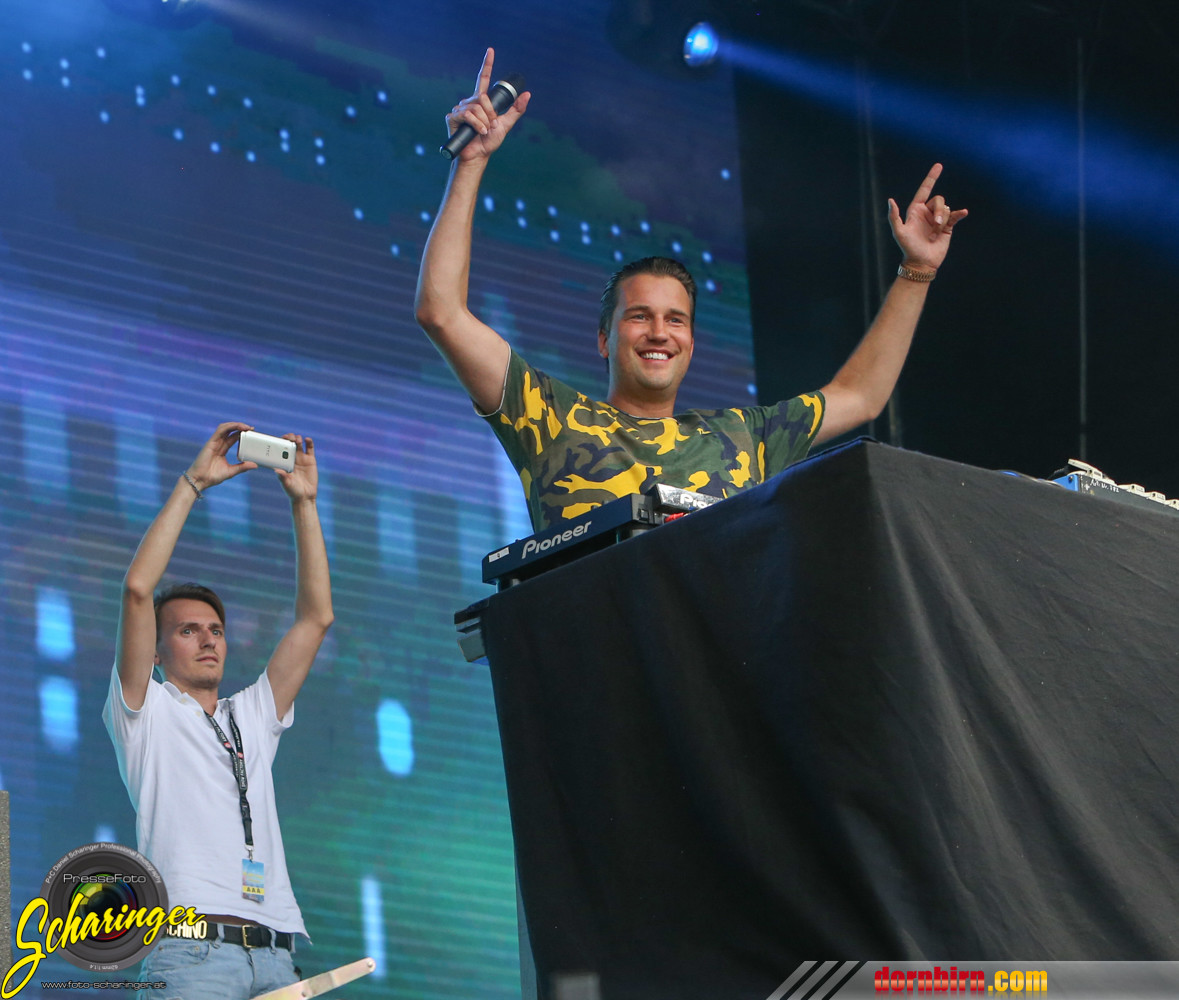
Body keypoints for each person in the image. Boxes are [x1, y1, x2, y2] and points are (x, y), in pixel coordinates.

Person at [415, 49, 968, 532]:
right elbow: (441, 312)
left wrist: (917, 269)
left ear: (691, 343)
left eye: (675, 319)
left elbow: (862, 396)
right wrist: (470, 166)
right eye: (639, 316)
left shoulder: (744, 437)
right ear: (604, 339)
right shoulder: (551, 418)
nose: (660, 332)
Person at [103, 422, 333, 1000]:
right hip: (190, 955)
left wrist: (304, 505)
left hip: (277, 957)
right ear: (156, 652)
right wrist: (193, 485)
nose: (208, 639)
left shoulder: (249, 714)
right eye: (188, 630)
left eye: (216, 630)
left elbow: (315, 620)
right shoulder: (145, 712)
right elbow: (137, 589)